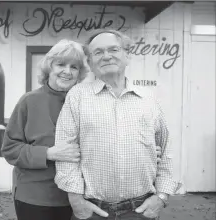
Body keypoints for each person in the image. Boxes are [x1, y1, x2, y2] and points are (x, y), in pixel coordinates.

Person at [54, 29, 179, 220]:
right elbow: (65, 150)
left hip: (140, 211)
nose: (106, 56)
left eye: (113, 49)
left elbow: (166, 150)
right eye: (98, 52)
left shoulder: (149, 99)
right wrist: (76, 201)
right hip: (93, 211)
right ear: (90, 62)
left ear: (127, 55)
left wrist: (161, 197)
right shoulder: (77, 96)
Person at [1, 39, 89, 220]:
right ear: (49, 67)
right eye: (61, 64)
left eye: (74, 67)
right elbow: (10, 149)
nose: (67, 71)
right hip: (36, 197)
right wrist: (48, 153)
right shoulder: (29, 101)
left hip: (79, 197)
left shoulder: (87, 104)